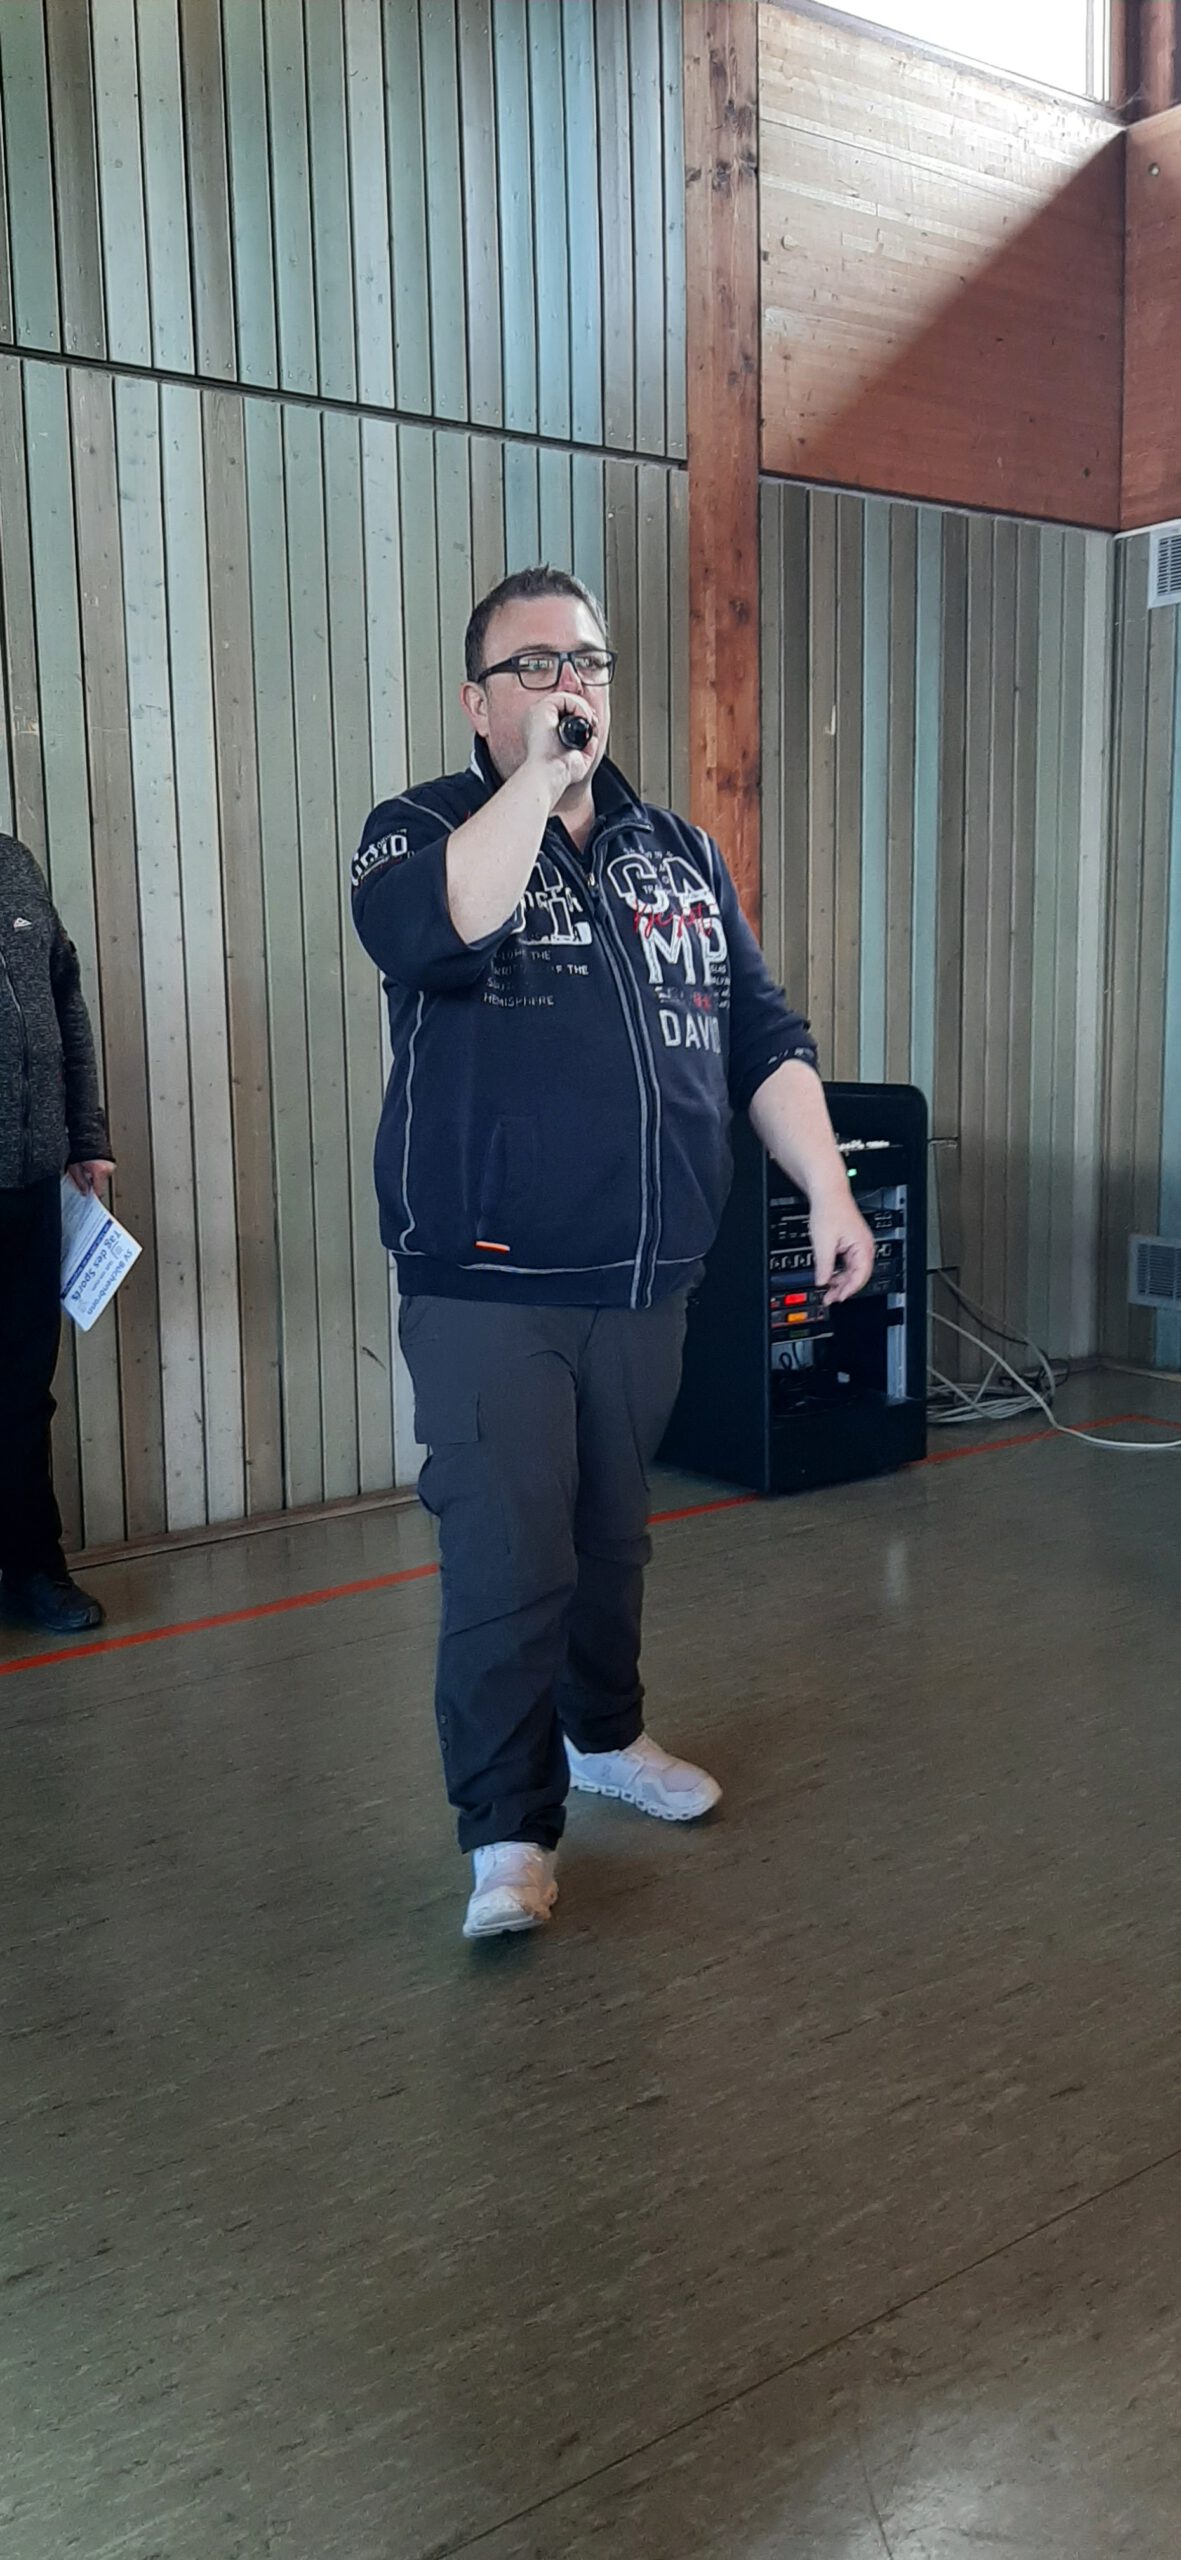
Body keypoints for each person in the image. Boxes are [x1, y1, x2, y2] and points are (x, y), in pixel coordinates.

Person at [351, 566, 873, 1943]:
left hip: (645, 1282)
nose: (565, 684)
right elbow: (444, 930)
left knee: (608, 1540)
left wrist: (827, 1188)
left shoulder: (677, 854)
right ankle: (507, 1832)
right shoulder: (418, 831)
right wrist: (537, 779)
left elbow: (760, 1036)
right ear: (477, 701)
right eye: (531, 665)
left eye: (583, 661)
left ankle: (602, 1737)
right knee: (508, 1558)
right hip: (488, 1284)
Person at [1, 831, 113, 1633]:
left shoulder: (13, 865)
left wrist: (85, 1136)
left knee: (21, 1394)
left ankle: (33, 1568)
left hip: (33, 1181)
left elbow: (64, 1002)